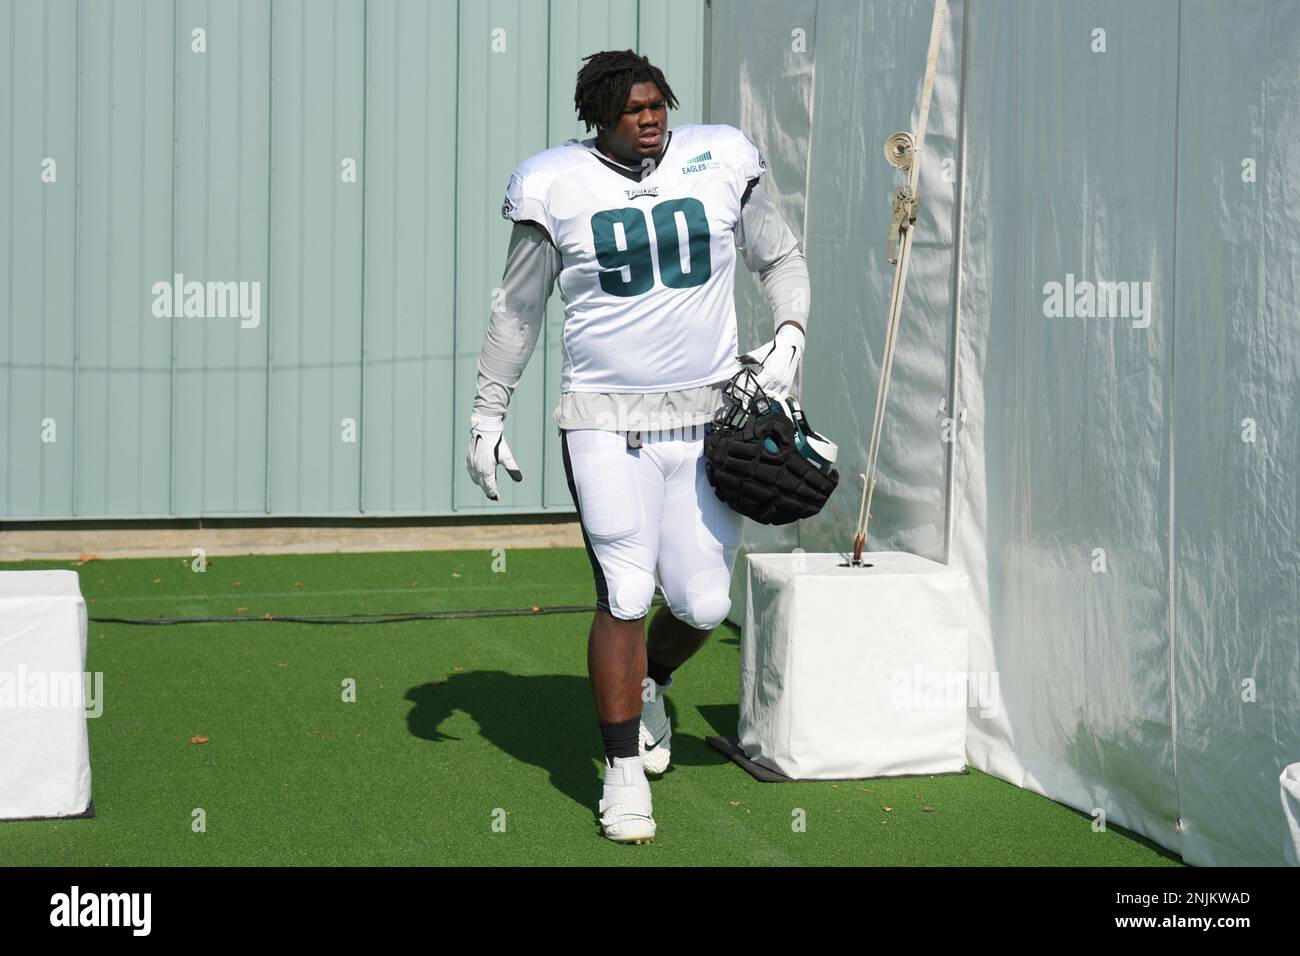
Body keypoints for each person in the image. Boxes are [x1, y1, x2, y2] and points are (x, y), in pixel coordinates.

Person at [466, 49, 810, 844]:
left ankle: (653, 680)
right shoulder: (556, 184)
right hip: (604, 423)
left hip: (708, 422)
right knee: (623, 590)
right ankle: (621, 776)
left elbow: (781, 258)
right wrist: (488, 412)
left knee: (702, 603)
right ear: (598, 117)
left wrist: (789, 334)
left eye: (658, 104)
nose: (650, 118)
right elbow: (517, 312)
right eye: (633, 109)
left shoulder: (717, 158)